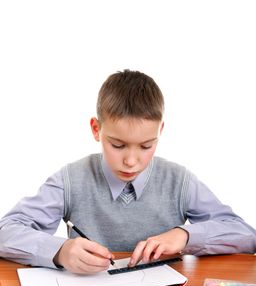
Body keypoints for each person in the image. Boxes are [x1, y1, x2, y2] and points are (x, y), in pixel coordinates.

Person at [0, 70, 255, 274]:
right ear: (96, 129)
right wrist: (60, 250)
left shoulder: (179, 181)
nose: (131, 161)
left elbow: (245, 235)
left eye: (146, 146)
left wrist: (185, 236)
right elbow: (6, 231)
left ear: (160, 132)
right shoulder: (70, 180)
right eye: (118, 145)